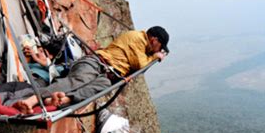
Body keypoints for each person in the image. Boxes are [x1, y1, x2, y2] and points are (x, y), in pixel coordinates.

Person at [13, 26, 170, 114]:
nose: (158, 49)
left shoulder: (144, 48)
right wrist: (155, 57)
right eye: (159, 46)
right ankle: (32, 99)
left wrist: (153, 56)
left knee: (93, 91)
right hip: (97, 62)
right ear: (154, 40)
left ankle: (58, 100)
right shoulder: (136, 37)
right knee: (76, 82)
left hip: (109, 75)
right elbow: (140, 65)